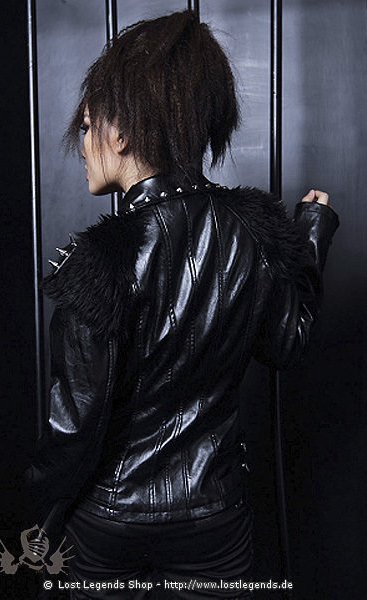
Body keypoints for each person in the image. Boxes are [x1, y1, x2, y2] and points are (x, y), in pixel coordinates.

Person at [23, 9, 340, 599]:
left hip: (108, 522)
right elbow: (287, 343)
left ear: (121, 133)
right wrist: (311, 236)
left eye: (88, 127)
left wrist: (37, 515)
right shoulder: (254, 230)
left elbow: (72, 431)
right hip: (215, 519)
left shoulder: (96, 261)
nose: (83, 145)